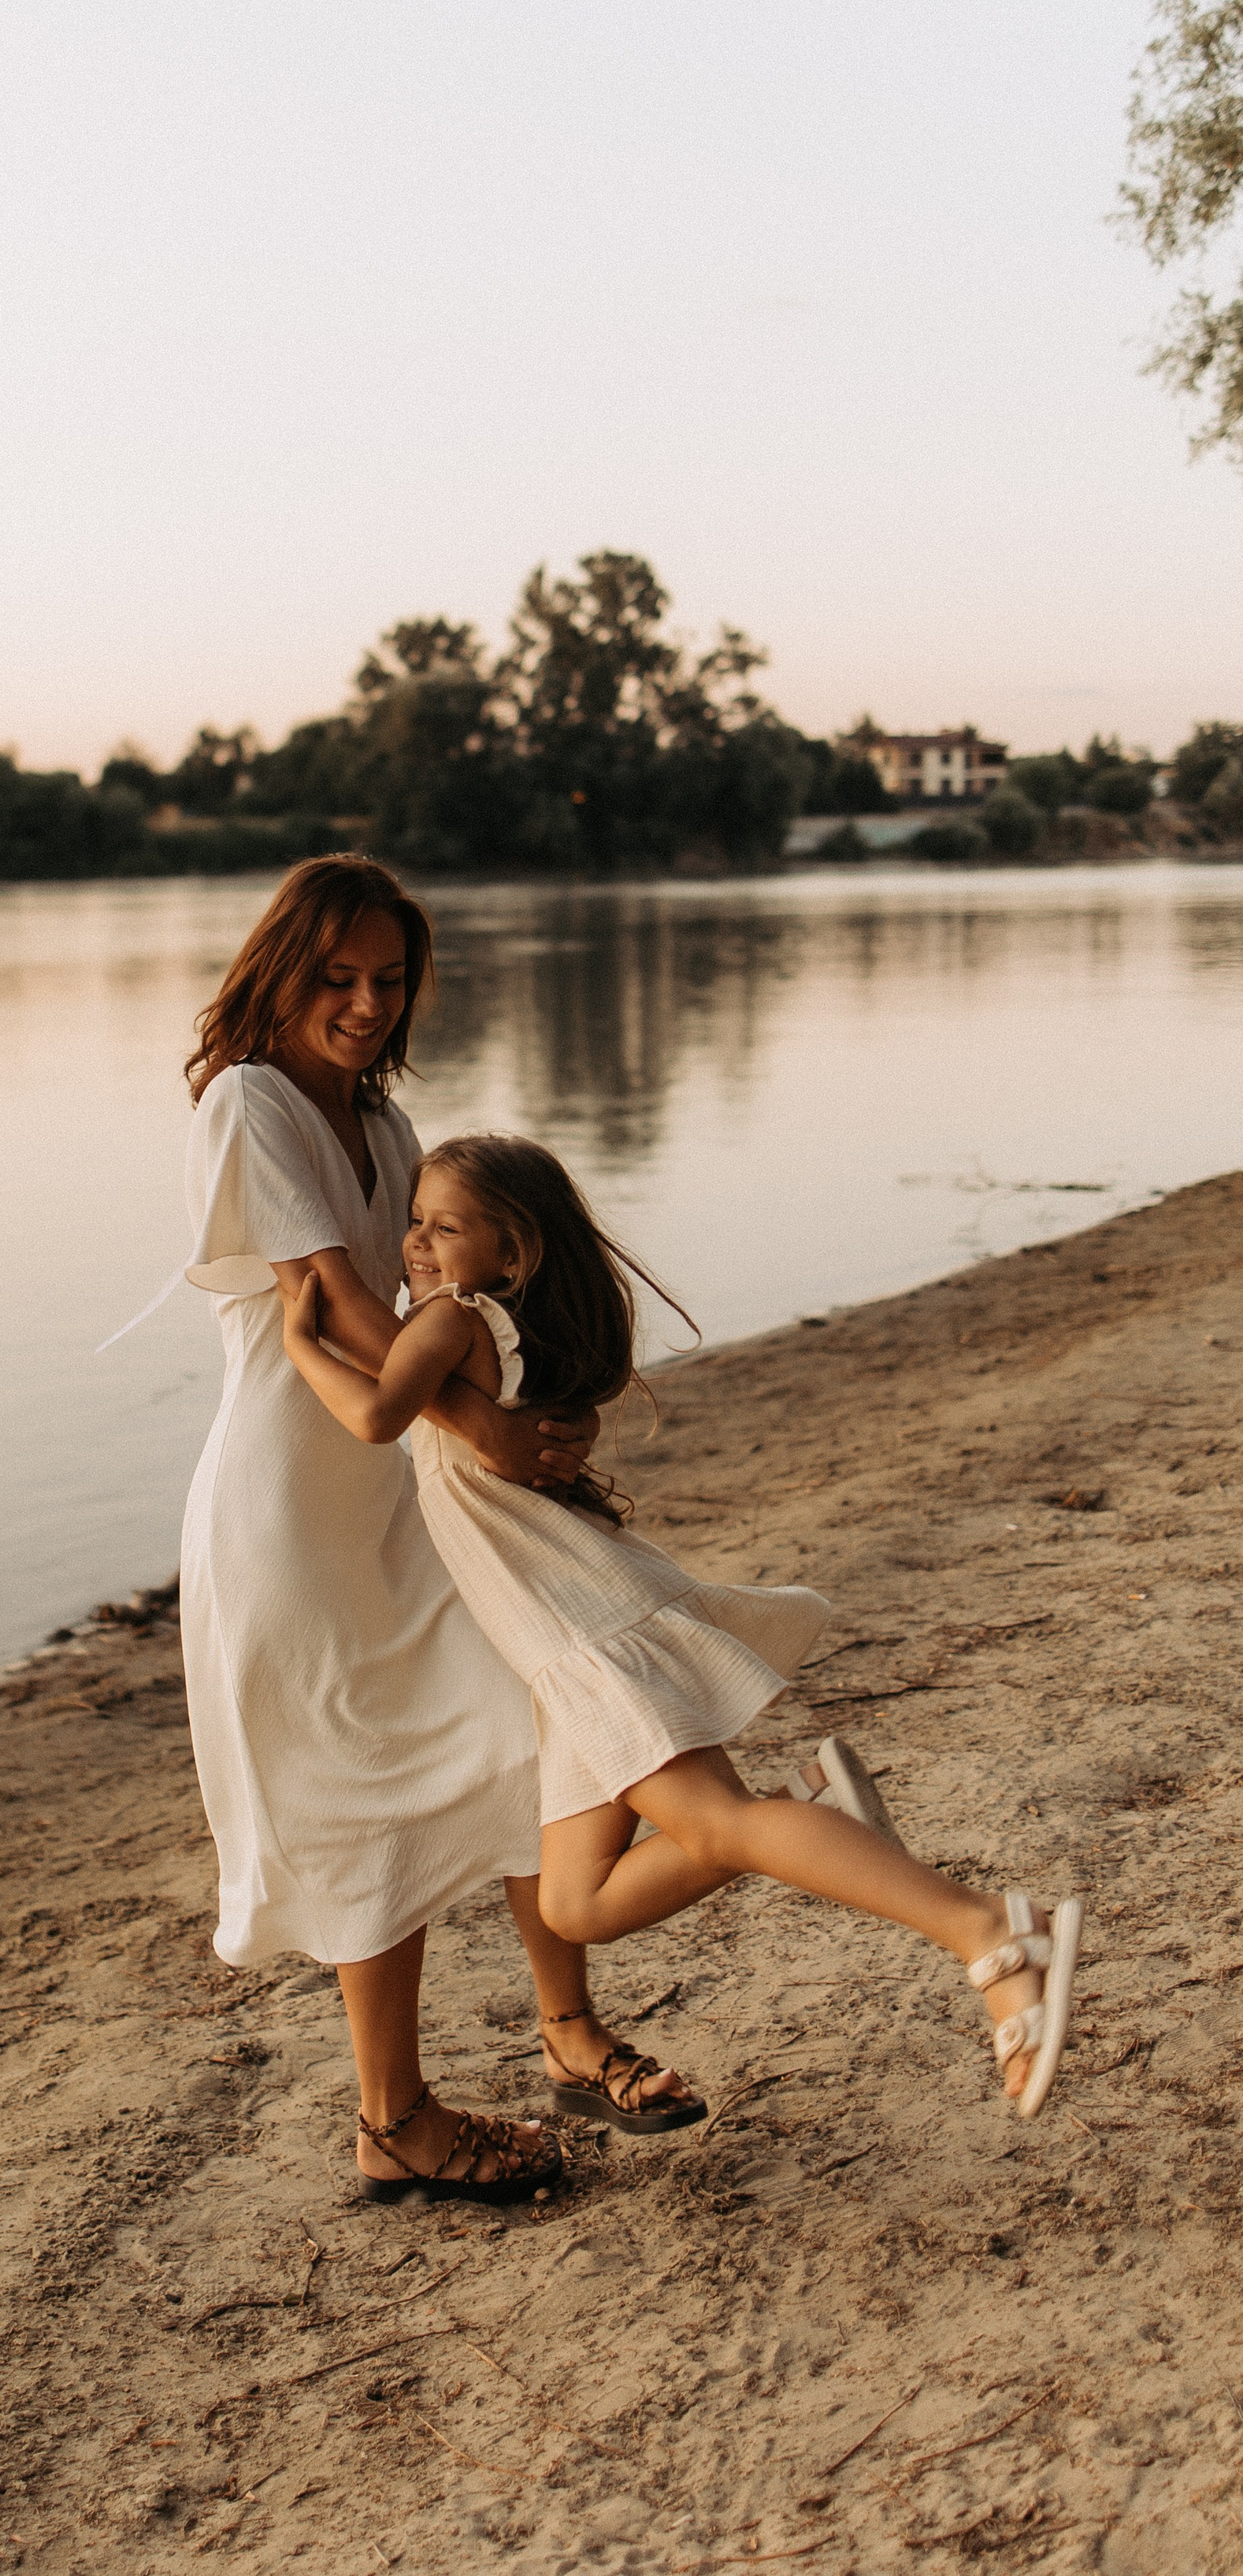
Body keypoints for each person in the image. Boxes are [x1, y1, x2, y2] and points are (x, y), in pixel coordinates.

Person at [281, 1129, 1084, 2121]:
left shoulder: (452, 1317)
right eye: (412, 1220)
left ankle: (993, 1932)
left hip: (579, 1622)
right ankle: (815, 1811)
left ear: (510, 1252)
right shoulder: (498, 1317)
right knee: (577, 1902)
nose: (415, 1240)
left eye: (443, 1226)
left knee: (718, 1822)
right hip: (556, 1634)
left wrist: (297, 1339)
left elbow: (374, 1412)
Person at [176, 856, 703, 2209]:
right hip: (297, 1506)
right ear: (281, 969)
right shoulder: (250, 1102)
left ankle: (570, 2037)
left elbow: (443, 1297)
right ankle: (392, 2114)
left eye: (389, 978)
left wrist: (536, 1412)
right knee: (363, 1790)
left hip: (410, 1494)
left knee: (527, 1731)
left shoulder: (387, 1123)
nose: (364, 1003)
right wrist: (489, 1430)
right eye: (338, 976)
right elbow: (338, 1303)